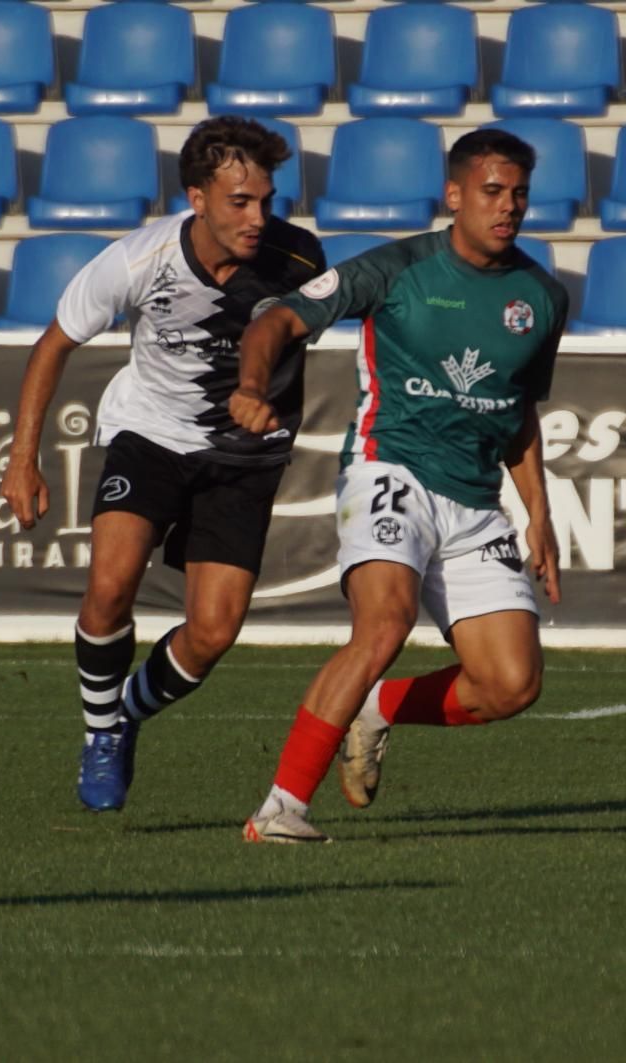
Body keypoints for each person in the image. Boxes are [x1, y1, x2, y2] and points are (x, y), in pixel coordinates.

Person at [229, 129, 569, 843]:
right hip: (392, 471)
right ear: (454, 196)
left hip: (475, 503)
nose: (508, 207)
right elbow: (279, 318)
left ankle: (376, 707)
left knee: (511, 686)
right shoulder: (398, 269)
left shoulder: (540, 297)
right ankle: (281, 806)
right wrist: (252, 384)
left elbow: (519, 413)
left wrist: (537, 515)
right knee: (385, 623)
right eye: (492, 192)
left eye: (519, 195)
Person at [0, 116, 324, 811]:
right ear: (197, 197)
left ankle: (126, 716)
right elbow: (53, 344)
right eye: (240, 201)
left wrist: (265, 401)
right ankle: (100, 734)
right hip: (150, 432)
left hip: (245, 457)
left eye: (267, 200)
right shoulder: (138, 260)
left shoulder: (299, 260)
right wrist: (23, 459)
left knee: (212, 632)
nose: (257, 216)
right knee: (110, 585)